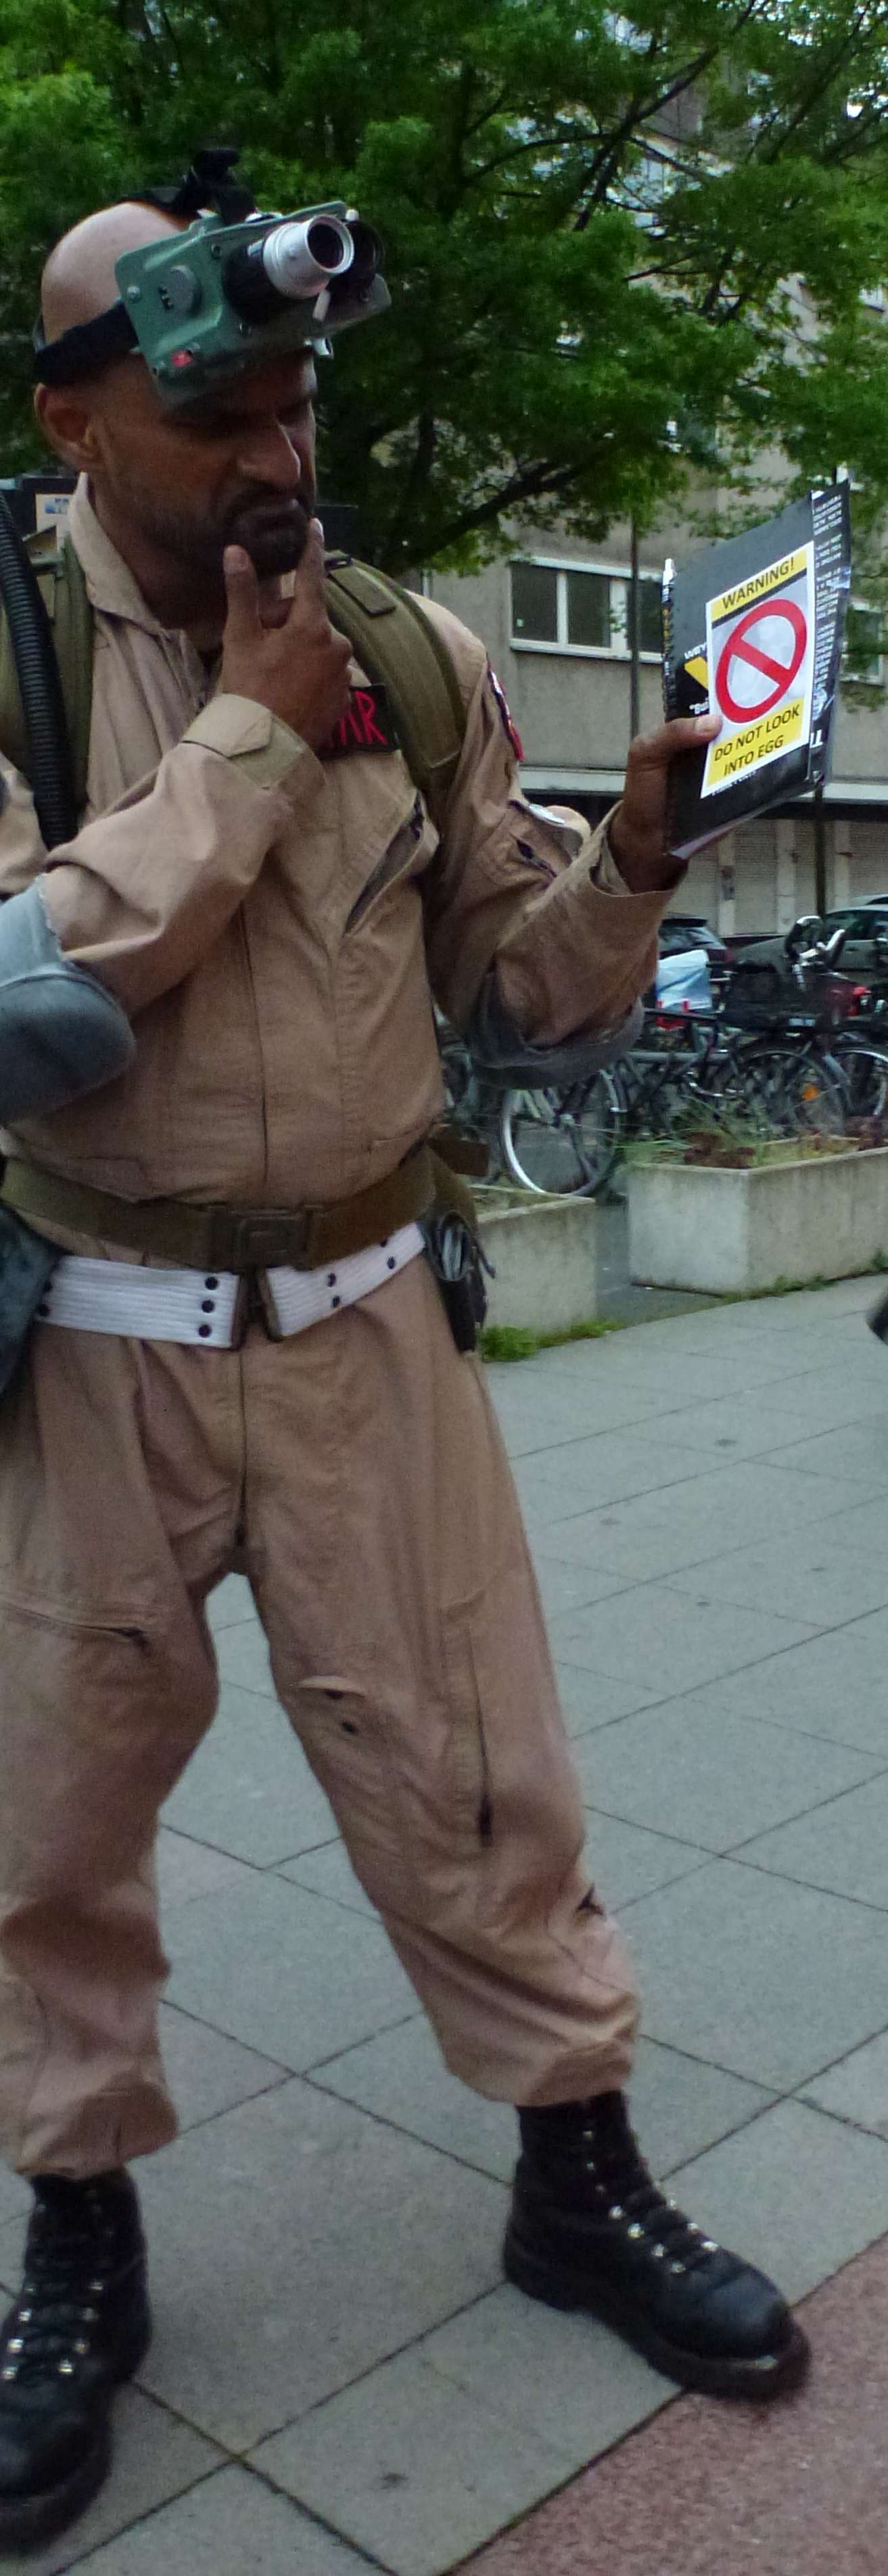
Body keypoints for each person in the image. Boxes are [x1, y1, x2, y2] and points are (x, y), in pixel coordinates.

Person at [0, 186, 808, 2552]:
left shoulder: (415, 656)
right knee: (50, 1832)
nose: (279, 456)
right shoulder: (14, 647)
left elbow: (519, 991)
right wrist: (249, 730)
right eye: (219, 416)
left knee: (482, 1777)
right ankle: (79, 2239)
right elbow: (40, 987)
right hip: (98, 1342)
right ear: (74, 420)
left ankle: (575, 2174)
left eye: (298, 404)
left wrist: (632, 864)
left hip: (370, 1322)